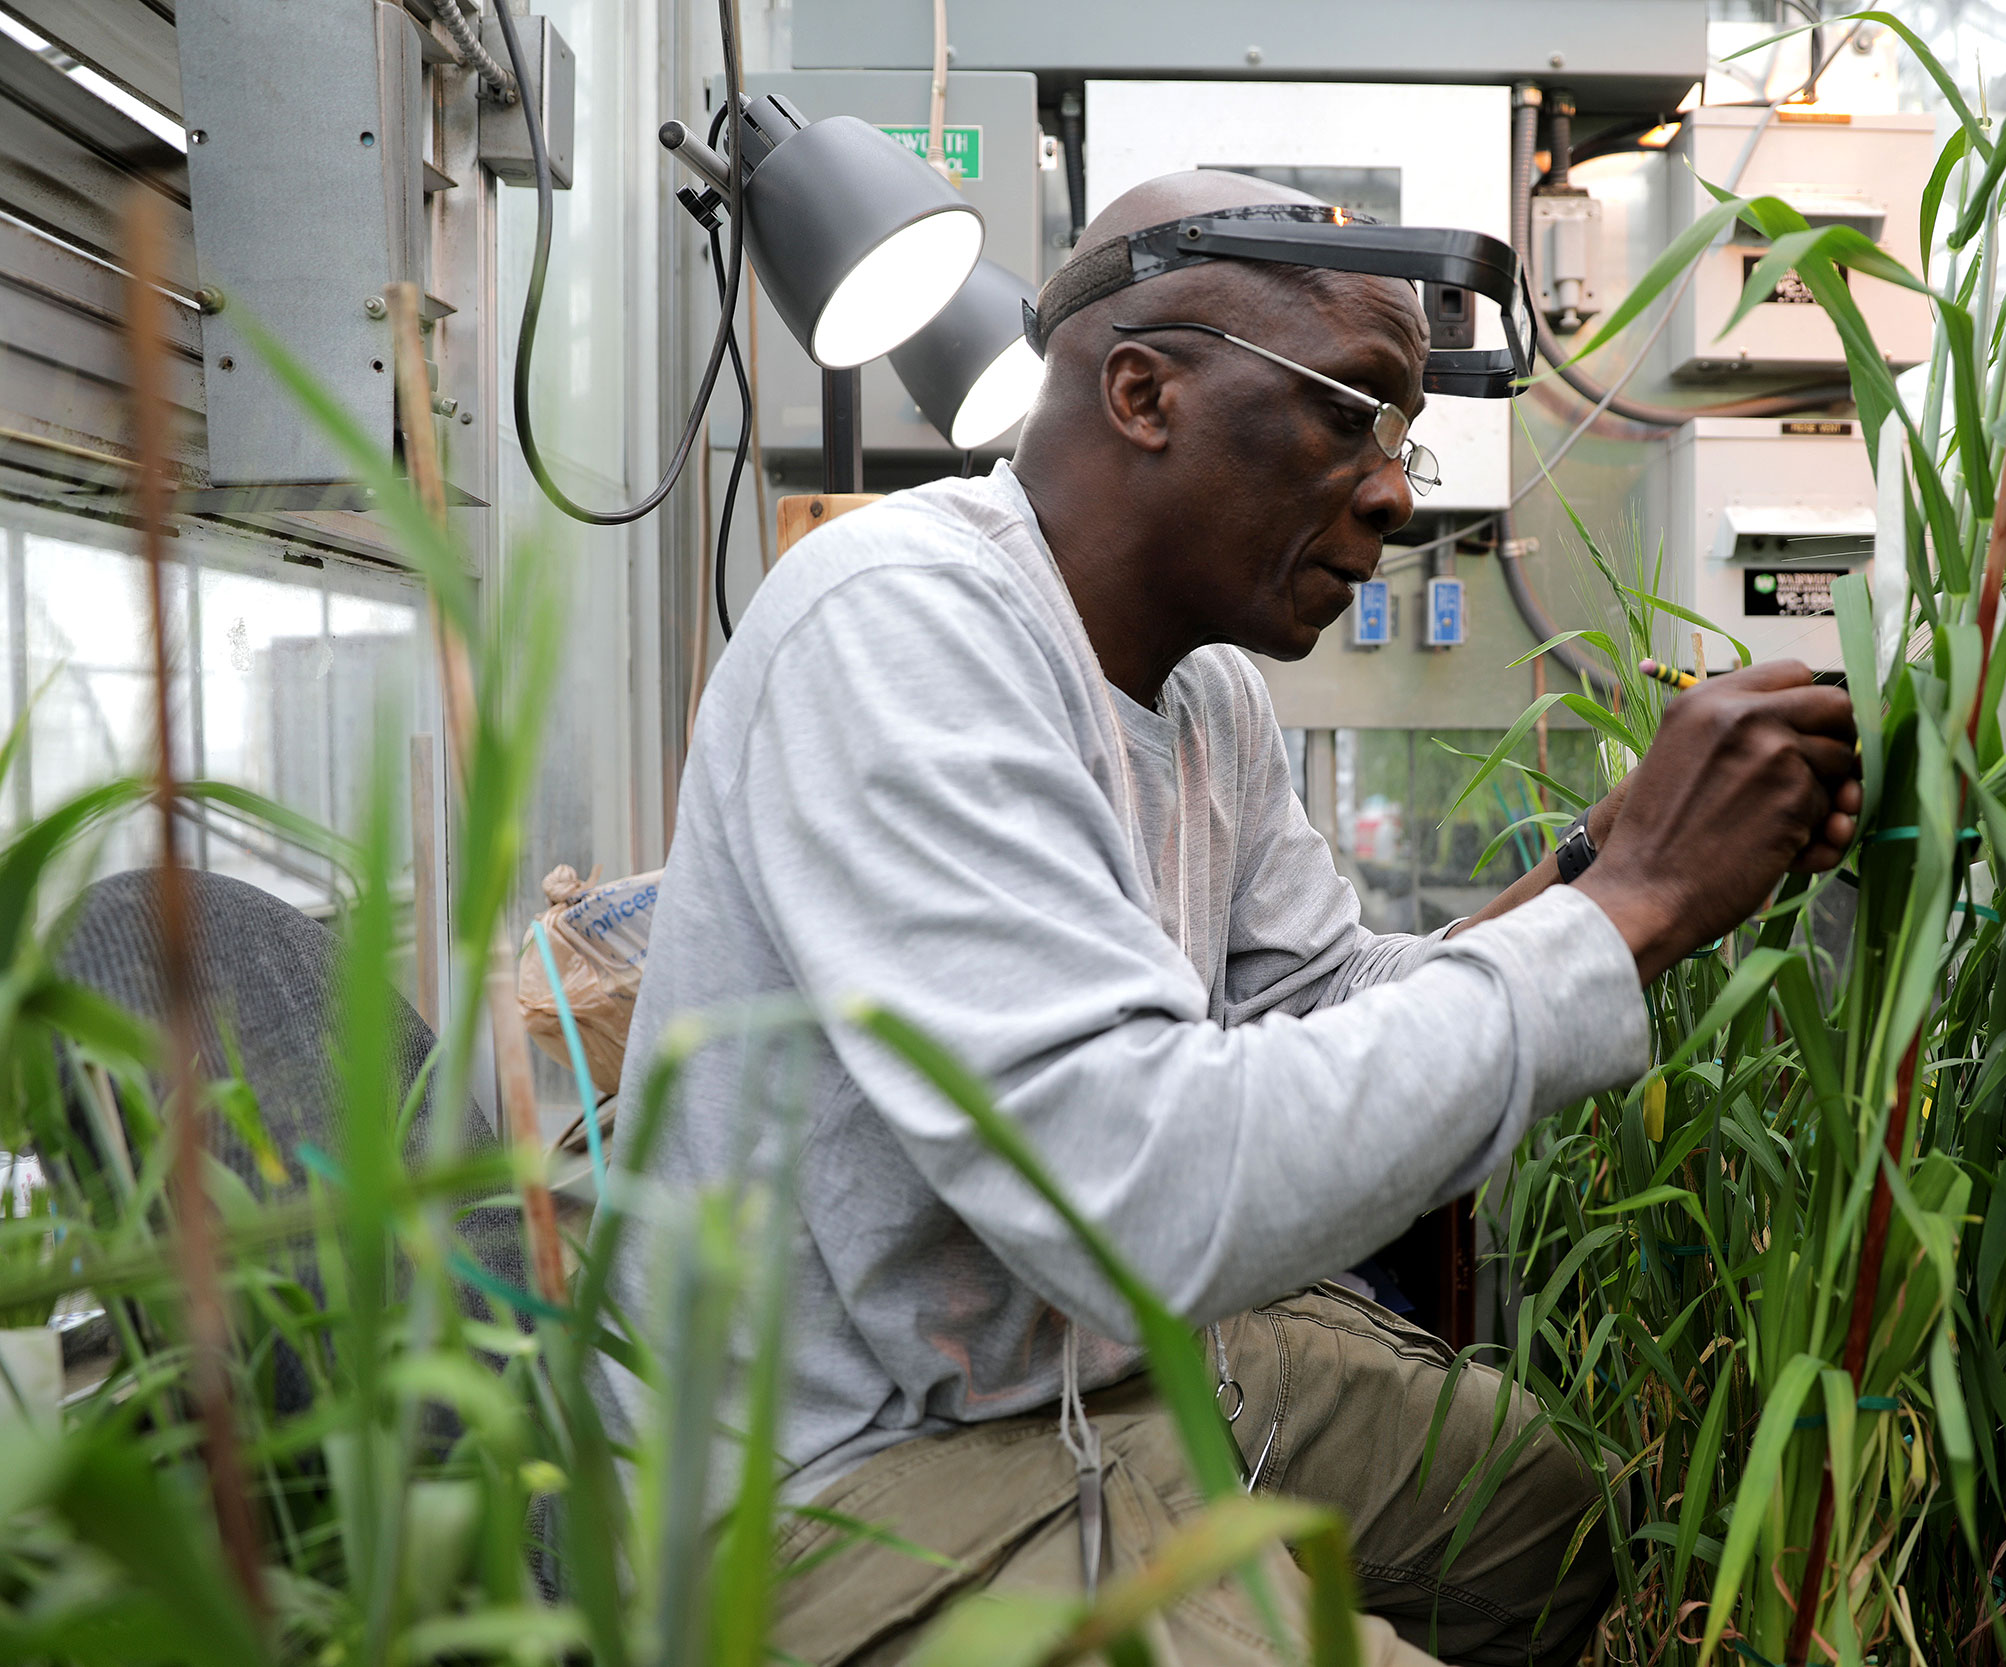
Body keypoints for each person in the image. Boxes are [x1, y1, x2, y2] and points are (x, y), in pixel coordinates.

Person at [607, 169, 1861, 1665]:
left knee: (1544, 1519)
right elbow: (1140, 1198)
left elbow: (1322, 1005)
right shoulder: (894, 624)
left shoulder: (1206, 699)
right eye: (1353, 412)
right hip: (842, 1475)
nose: (1398, 491)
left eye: (1404, 432)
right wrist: (1633, 907)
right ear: (1143, 391)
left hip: (1100, 1371)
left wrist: (1630, 870)